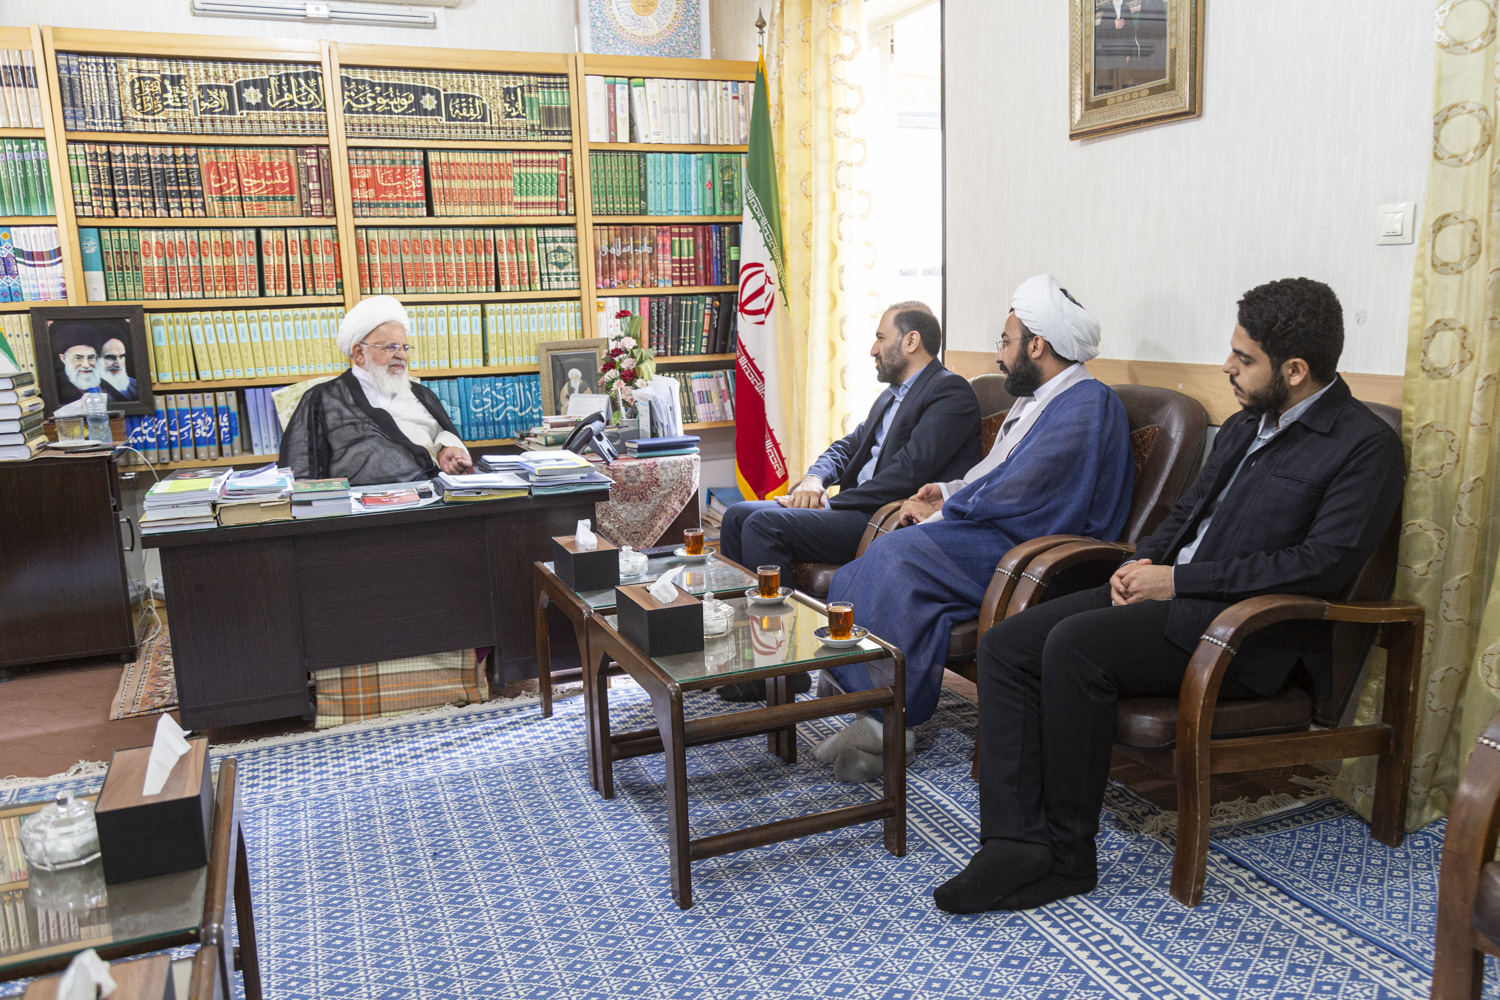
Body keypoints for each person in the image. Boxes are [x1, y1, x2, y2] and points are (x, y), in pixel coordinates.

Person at [935, 277, 1407, 915]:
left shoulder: (1364, 447)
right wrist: (1143, 562)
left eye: (1243, 358)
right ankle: (1013, 844)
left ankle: (1069, 857)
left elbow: (1318, 566)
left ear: (1295, 370)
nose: (1227, 366)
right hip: (1171, 600)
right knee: (1008, 646)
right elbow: (1185, 514)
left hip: (1240, 633)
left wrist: (1178, 581)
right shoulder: (1244, 426)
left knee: (1074, 646)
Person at [814, 275, 1134, 782]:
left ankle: (887, 723)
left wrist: (944, 513)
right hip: (998, 531)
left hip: (1031, 546)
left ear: (1037, 345)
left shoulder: (1087, 402)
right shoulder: (1037, 399)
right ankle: (877, 715)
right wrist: (945, 491)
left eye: (1006, 342)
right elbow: (993, 473)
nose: (999, 355)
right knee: (877, 567)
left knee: (897, 556)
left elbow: (1028, 492)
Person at [715, 301, 981, 702]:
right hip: (855, 509)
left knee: (763, 524)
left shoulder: (949, 392)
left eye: (880, 338)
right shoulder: (891, 396)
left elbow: (907, 474)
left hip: (885, 520)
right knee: (737, 515)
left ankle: (785, 667)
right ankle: (755, 662)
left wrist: (829, 504)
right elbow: (847, 447)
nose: (873, 349)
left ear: (911, 341)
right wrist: (814, 479)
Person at [280, 295, 474, 486]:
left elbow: (441, 436)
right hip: (358, 505)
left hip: (430, 499)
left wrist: (445, 449)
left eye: (404, 347)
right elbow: (301, 472)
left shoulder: (422, 395)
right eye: (391, 347)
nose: (401, 355)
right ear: (359, 353)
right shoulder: (323, 399)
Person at [52, 323, 104, 406]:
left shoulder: (105, 385)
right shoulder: (54, 387)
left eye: (91, 357)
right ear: (63, 358)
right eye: (78, 358)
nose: (86, 365)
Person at [99, 336, 138, 402]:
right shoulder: (89, 390)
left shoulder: (136, 386)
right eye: (111, 357)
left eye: (121, 357)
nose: (119, 364)